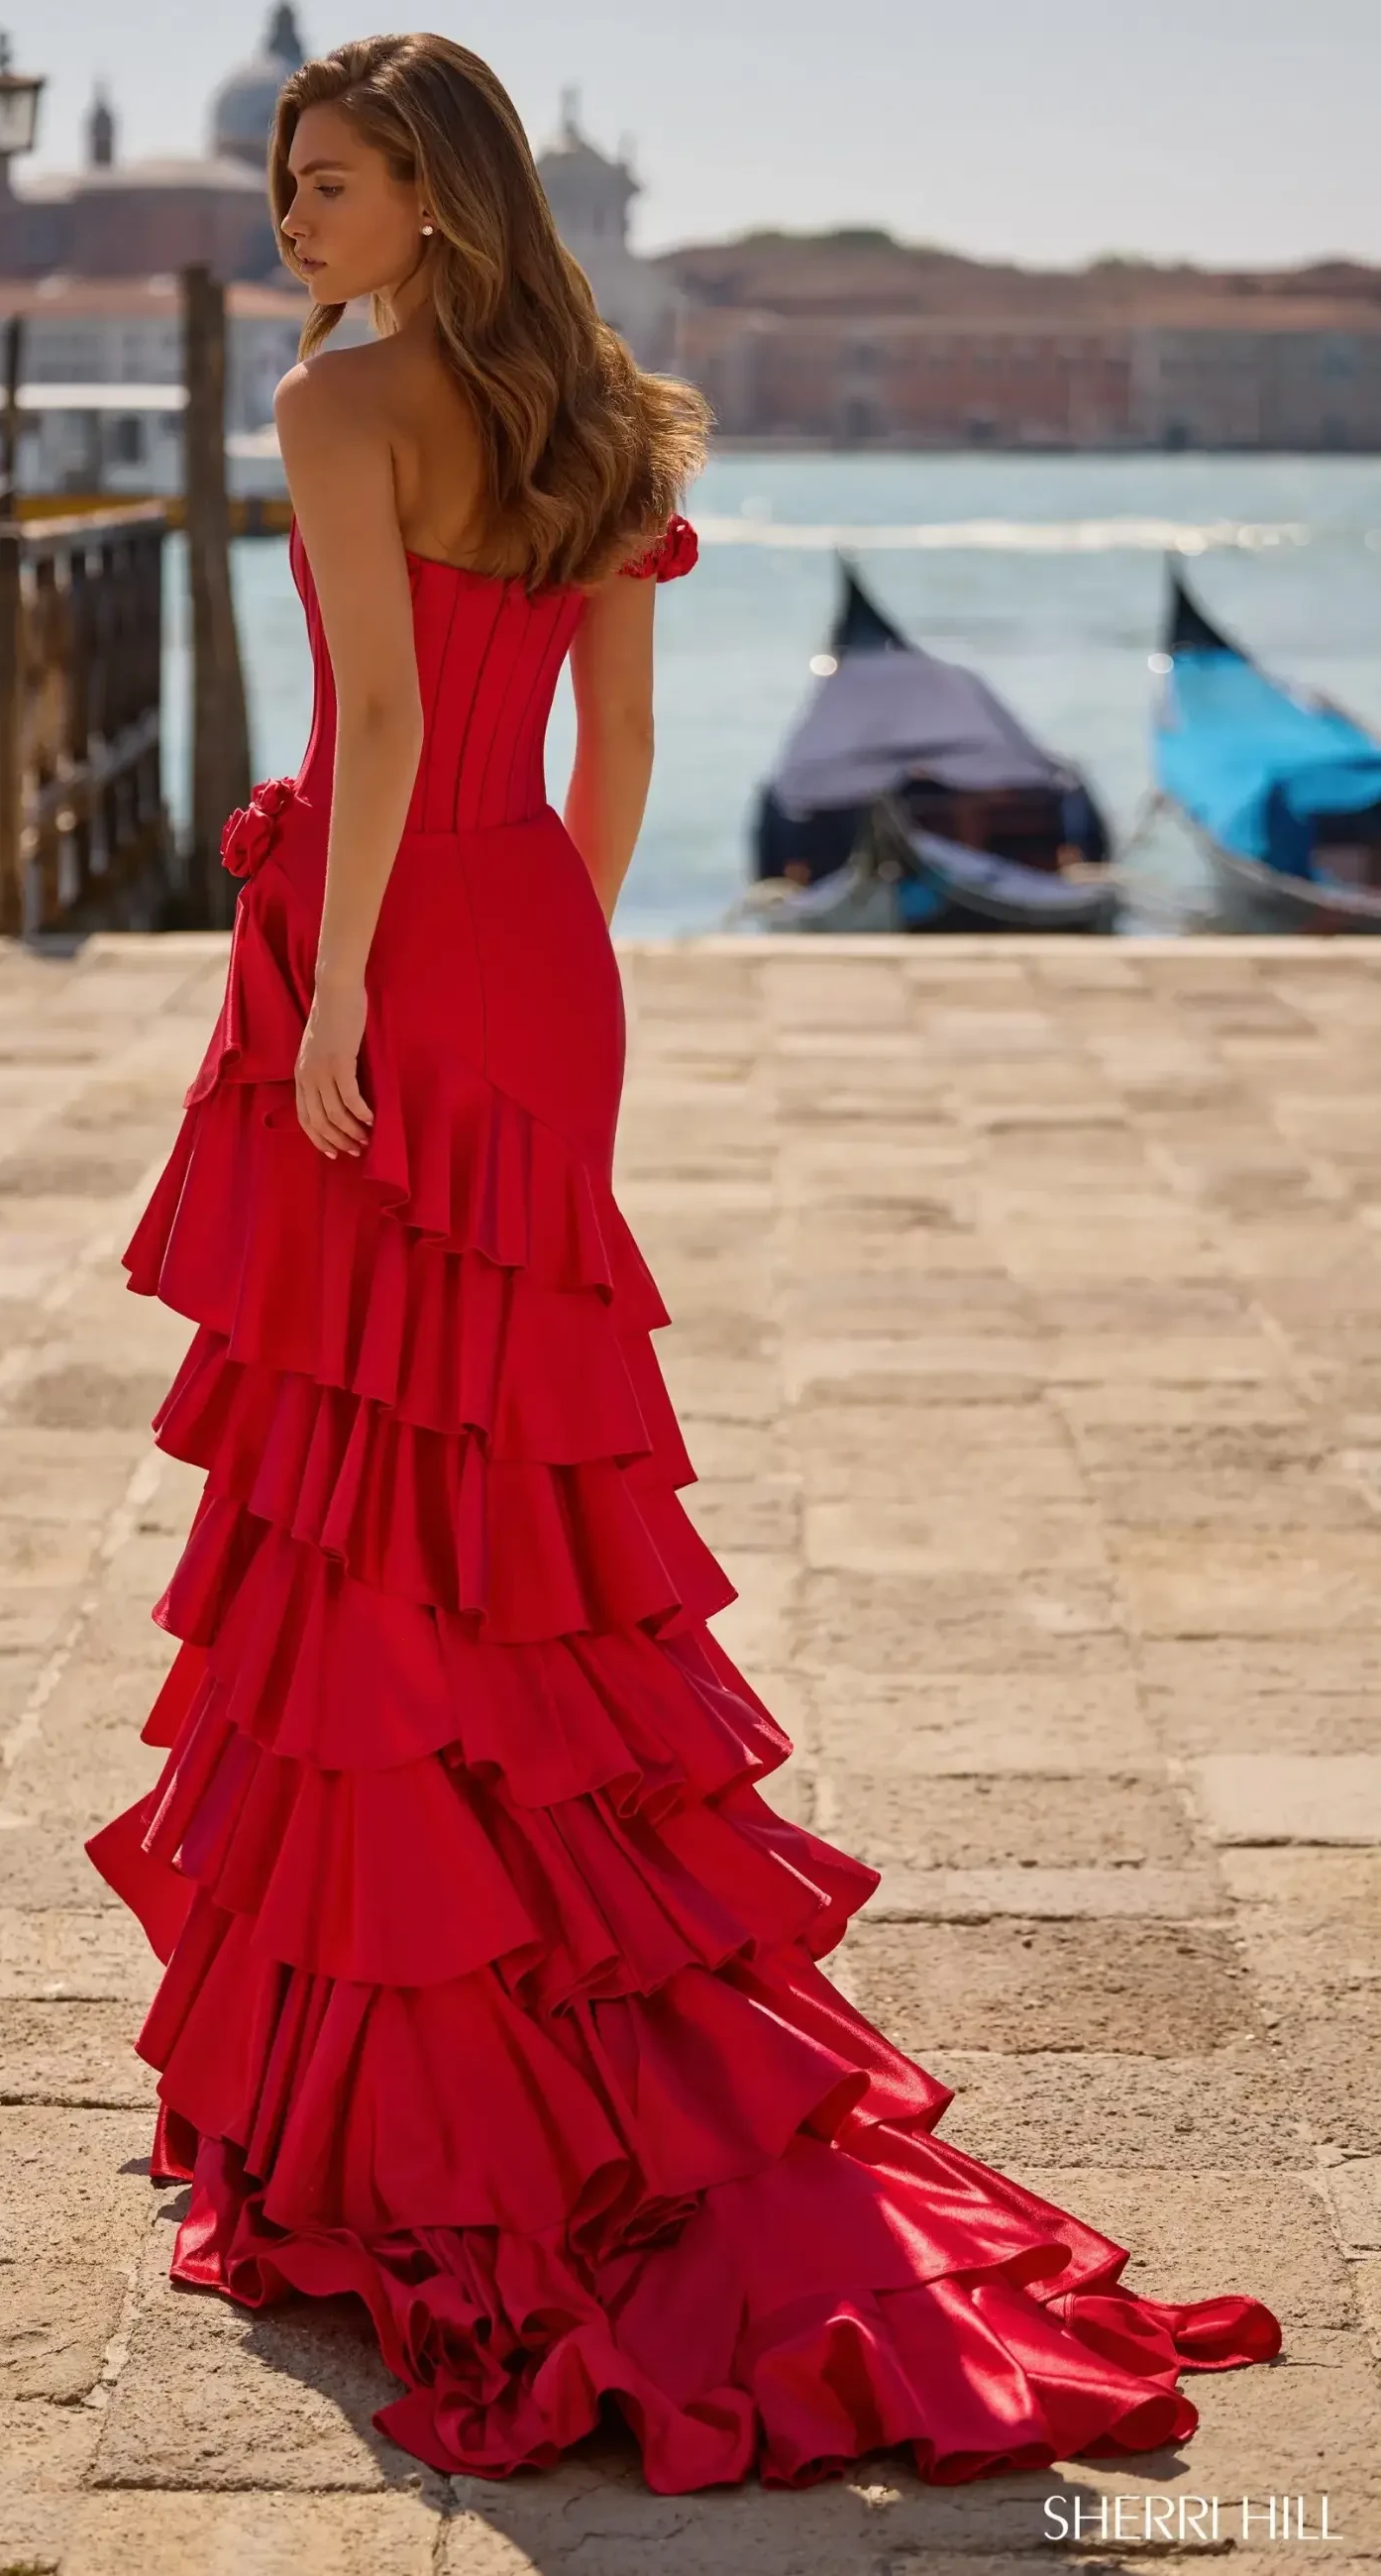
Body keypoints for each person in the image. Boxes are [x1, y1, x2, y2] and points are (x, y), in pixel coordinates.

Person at [88, 30, 1280, 2494]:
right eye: (285, 182)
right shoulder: (607, 420)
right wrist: (531, 955)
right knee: (506, 1470)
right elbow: (604, 760)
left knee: (367, 1472)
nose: (292, 221)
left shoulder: (334, 407)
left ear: (434, 192)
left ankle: (414, 2051)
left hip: (385, 947)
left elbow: (381, 720)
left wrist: (343, 995)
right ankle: (528, 1965)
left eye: (330, 182)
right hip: (537, 951)